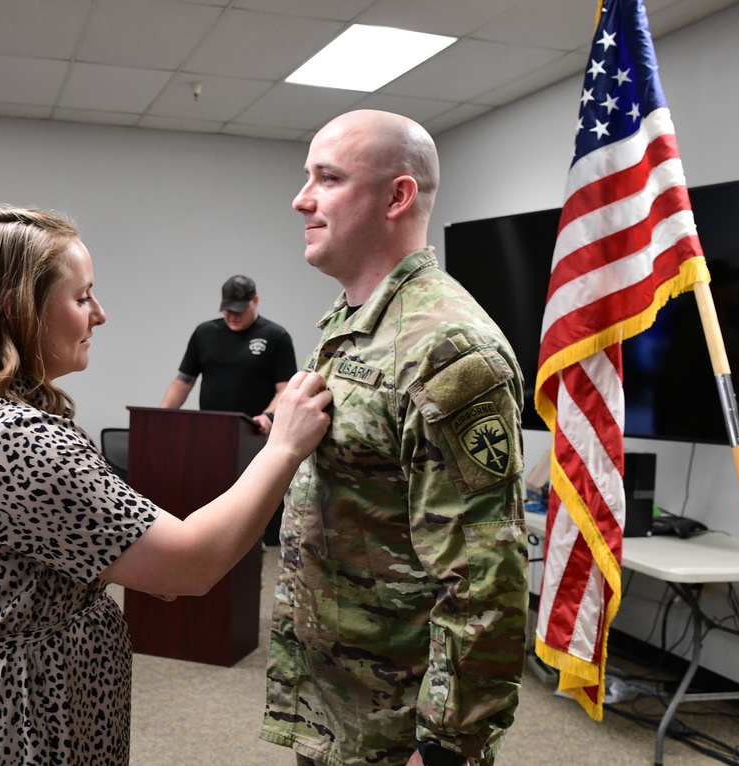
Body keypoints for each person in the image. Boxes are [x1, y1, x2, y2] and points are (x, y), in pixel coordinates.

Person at [0, 205, 331, 766]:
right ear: (17, 309)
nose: (99, 314)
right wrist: (285, 449)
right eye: (81, 299)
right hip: (18, 724)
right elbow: (191, 564)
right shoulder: (15, 440)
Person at [259, 110, 529, 766]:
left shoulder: (447, 351)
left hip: (397, 728)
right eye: (307, 177)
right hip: (335, 704)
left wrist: (443, 748)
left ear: (397, 196)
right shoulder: (352, 320)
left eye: (327, 178)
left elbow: (483, 578)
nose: (301, 198)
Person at [159, 274, 297, 437]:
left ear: (255, 301)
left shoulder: (276, 336)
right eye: (228, 310)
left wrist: (268, 416)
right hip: (208, 430)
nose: (233, 317)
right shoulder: (204, 333)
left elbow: (286, 389)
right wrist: (160, 417)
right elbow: (183, 382)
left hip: (253, 432)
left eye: (239, 311)